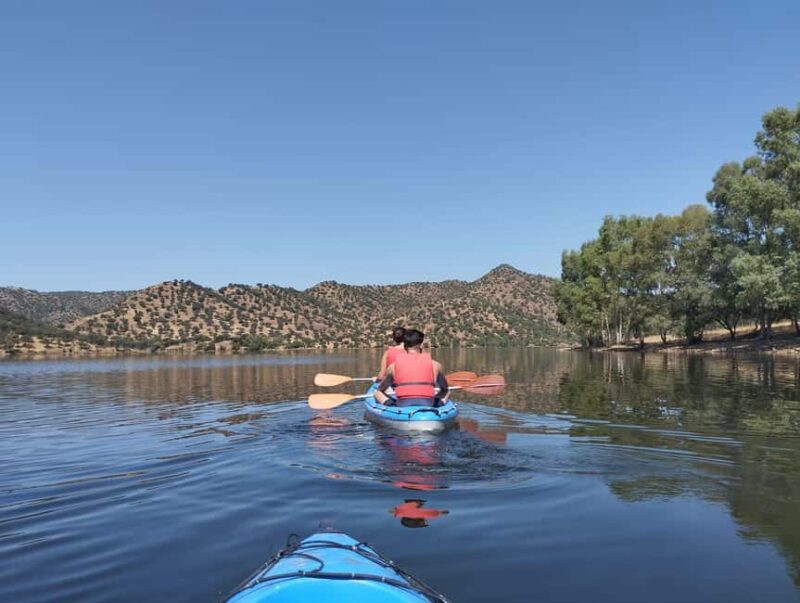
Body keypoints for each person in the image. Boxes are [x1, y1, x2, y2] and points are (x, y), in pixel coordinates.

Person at [375, 329, 449, 407]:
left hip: (402, 403)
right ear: (421, 345)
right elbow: (444, 388)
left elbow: (382, 388)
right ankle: (438, 406)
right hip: (428, 402)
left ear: (405, 346)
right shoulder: (436, 365)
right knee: (447, 391)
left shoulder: (393, 366)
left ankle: (392, 406)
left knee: (377, 392)